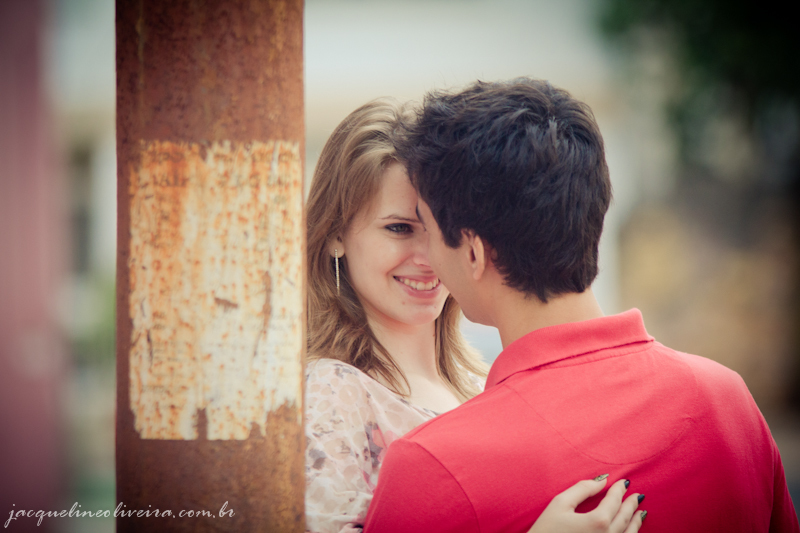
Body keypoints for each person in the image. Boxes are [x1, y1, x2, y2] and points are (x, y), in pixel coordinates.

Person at [362, 78, 800, 532]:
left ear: (472, 253)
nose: (425, 257)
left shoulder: (431, 469)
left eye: (428, 232)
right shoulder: (727, 405)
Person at [304, 99, 646, 533]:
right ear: (335, 234)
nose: (430, 256)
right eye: (399, 228)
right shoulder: (330, 394)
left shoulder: (478, 382)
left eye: (440, 229)